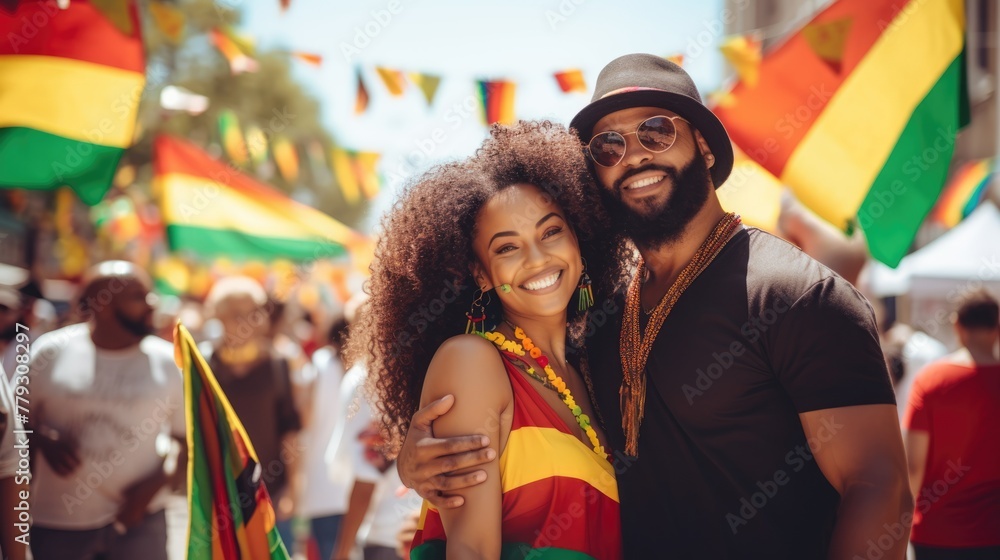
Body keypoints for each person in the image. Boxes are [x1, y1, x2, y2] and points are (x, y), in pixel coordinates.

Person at [396, 54, 912, 558]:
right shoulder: (601, 323)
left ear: (705, 146)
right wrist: (415, 465)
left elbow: (878, 485)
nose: (635, 155)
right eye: (608, 146)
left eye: (657, 131)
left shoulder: (794, 295)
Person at [345, 120, 630, 559]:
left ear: (578, 239)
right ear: (480, 273)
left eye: (551, 231)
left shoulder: (590, 367)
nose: (537, 260)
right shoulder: (471, 362)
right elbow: (472, 551)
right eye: (506, 248)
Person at [18, 261, 186, 560]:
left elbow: (186, 441)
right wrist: (42, 439)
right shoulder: (49, 352)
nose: (152, 303)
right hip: (58, 525)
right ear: (103, 305)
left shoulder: (170, 362)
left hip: (141, 523)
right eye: (138, 296)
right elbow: (12, 424)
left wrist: (154, 486)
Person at [202, 277, 302, 552]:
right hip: (219, 497)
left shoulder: (278, 364)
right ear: (218, 317)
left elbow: (289, 429)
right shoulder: (204, 365)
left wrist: (292, 490)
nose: (248, 321)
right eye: (237, 315)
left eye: (253, 313)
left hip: (270, 492)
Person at [903, 290, 1000, 559]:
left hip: (936, 534)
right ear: (997, 327)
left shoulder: (931, 380)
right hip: (993, 535)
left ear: (957, 324)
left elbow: (912, 468)